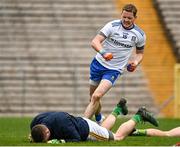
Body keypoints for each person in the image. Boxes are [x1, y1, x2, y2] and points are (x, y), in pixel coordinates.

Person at [84, 3, 146, 123]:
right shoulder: (112, 26)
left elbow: (140, 53)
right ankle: (98, 118)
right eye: (124, 17)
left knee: (97, 96)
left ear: (135, 18)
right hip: (98, 64)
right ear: (121, 15)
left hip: (114, 70)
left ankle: (82, 124)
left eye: (129, 18)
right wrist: (103, 53)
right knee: (92, 98)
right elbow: (95, 41)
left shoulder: (140, 34)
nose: (126, 20)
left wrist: (136, 62)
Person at [29, 98, 158, 143]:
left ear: (47, 132)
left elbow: (77, 139)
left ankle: (139, 116)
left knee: (117, 137)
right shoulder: (36, 122)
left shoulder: (63, 125)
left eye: (47, 138)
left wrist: (59, 141)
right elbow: (35, 131)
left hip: (89, 130)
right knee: (105, 130)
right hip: (81, 121)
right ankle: (118, 109)